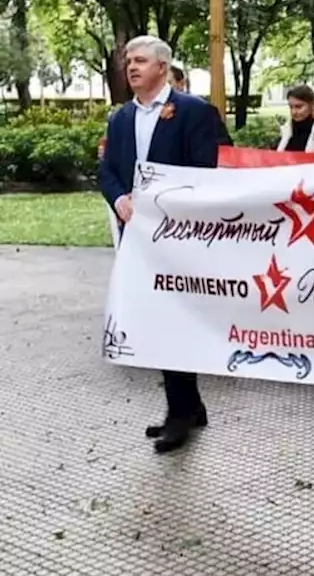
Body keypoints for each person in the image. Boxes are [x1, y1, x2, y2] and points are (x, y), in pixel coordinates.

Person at [98, 36, 222, 454]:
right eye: (127, 61)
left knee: (175, 319)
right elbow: (107, 171)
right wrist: (120, 199)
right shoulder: (120, 119)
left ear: (162, 68)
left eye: (140, 61)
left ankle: (180, 413)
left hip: (180, 237)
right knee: (157, 317)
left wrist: (159, 204)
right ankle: (191, 406)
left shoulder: (194, 112)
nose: (130, 67)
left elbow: (204, 172)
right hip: (137, 237)